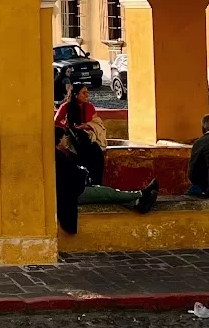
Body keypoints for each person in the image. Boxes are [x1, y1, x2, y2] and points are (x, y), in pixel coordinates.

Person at [53, 83, 155, 232]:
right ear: (75, 95)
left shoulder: (89, 108)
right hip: (77, 190)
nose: (87, 96)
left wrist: (86, 127)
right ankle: (140, 195)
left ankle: (137, 200)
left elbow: (96, 123)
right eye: (83, 93)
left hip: (84, 160)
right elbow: (57, 123)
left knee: (106, 193)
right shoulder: (62, 157)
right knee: (106, 193)